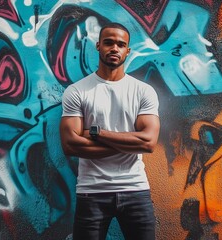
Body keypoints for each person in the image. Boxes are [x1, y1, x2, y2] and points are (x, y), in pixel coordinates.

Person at [59, 22, 160, 240]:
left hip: (135, 189)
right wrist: (127, 144)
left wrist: (96, 133)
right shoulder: (77, 91)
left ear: (128, 50)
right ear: (98, 46)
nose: (114, 48)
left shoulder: (143, 92)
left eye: (121, 44)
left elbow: (148, 143)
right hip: (92, 191)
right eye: (109, 43)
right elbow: (70, 145)